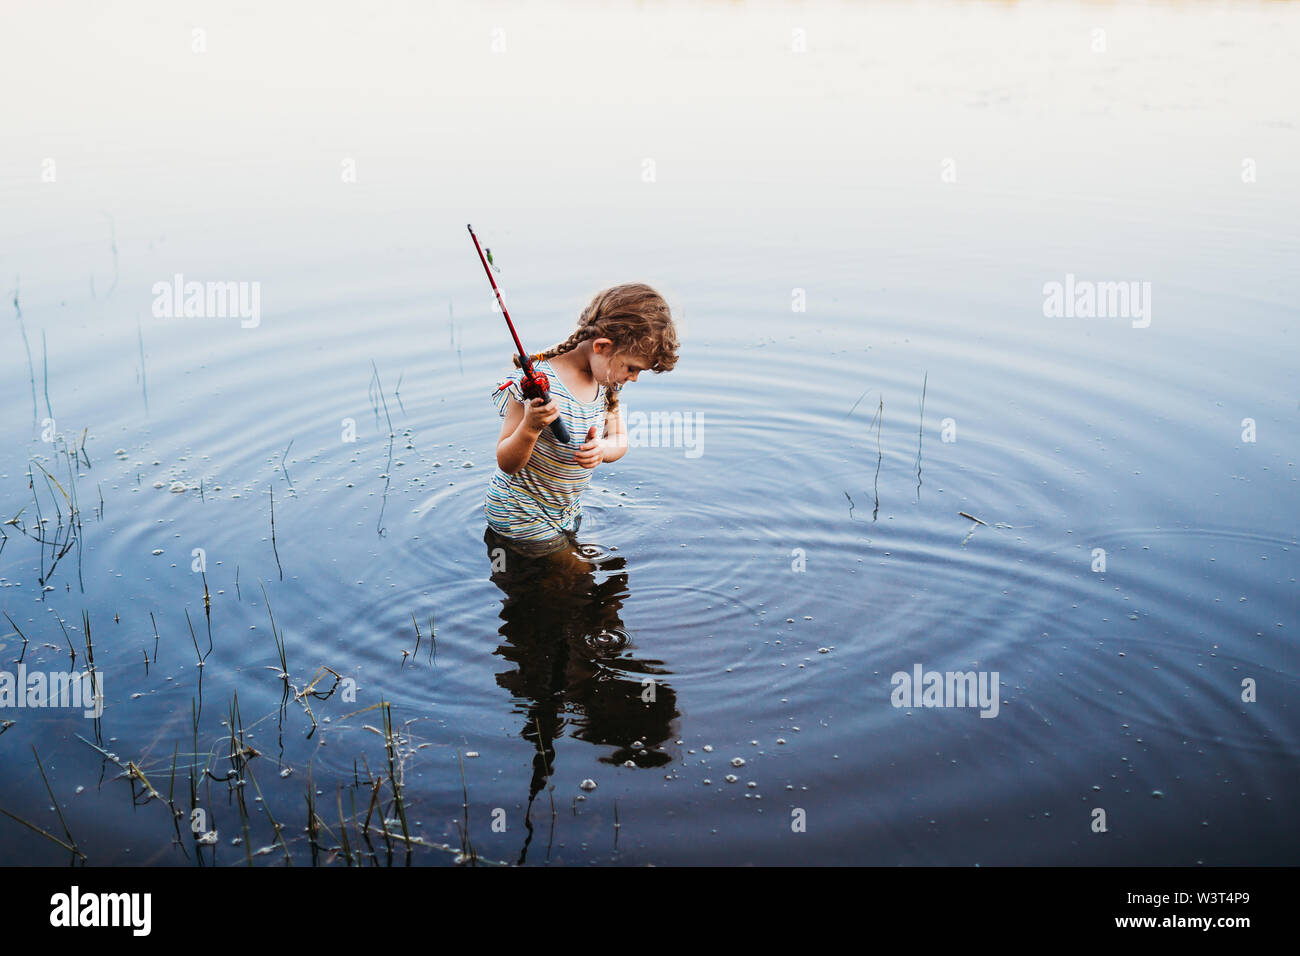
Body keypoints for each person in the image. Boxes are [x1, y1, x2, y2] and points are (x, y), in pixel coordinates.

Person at [484, 282, 679, 559]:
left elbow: (619, 440)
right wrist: (530, 427)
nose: (633, 378)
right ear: (602, 346)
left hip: (566, 509)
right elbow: (506, 461)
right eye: (632, 368)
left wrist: (602, 449)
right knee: (577, 583)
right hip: (520, 512)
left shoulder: (607, 382)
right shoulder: (535, 384)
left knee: (572, 588)